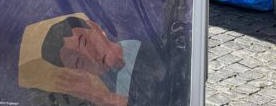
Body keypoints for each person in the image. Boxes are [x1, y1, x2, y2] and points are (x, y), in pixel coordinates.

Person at [19, 13, 168, 106]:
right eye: (78, 62)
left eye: (85, 41)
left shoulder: (154, 50)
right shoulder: (108, 89)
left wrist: (100, 97)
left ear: (95, 27)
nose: (91, 56)